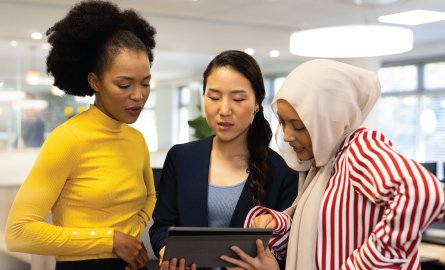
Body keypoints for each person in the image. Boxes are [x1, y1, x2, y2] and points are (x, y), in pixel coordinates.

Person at [219, 59, 445, 270]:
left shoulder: (360, 150)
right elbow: (320, 235)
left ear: (329, 119)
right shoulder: (323, 165)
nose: (287, 136)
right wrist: (276, 223)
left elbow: (423, 192)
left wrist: (362, 264)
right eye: (283, 123)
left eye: (298, 125)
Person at [6, 1, 157, 270]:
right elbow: (19, 233)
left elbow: (150, 196)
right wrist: (110, 240)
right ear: (95, 82)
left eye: (145, 83)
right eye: (124, 84)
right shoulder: (68, 139)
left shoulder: (136, 139)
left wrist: (131, 236)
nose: (138, 95)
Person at [149, 50, 298, 269]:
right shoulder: (181, 158)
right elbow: (161, 226)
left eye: (238, 99)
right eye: (214, 97)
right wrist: (166, 254)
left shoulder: (282, 170)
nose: (224, 110)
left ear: (257, 103)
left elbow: (290, 247)